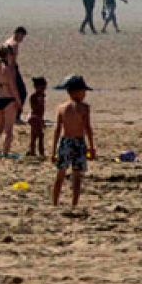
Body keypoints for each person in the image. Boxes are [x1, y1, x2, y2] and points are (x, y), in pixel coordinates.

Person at [51, 75, 94, 207]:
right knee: (76, 176)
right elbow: (87, 128)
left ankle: (56, 203)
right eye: (83, 91)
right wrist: (91, 146)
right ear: (76, 91)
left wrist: (53, 150)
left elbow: (57, 130)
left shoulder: (62, 107)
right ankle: (73, 204)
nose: (85, 94)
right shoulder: (84, 108)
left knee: (61, 174)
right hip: (78, 142)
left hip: (65, 142)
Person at [0, 43, 22, 154]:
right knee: (8, 130)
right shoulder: (9, 69)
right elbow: (13, 87)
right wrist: (19, 102)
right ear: (8, 55)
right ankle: (5, 152)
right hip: (8, 99)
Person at [26, 76, 48, 159]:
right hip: (34, 117)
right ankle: (41, 152)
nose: (43, 90)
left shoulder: (42, 95)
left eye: (44, 88)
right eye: (42, 88)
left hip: (38, 117)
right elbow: (34, 108)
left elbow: (42, 110)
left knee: (34, 136)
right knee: (40, 135)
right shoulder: (34, 96)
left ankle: (32, 151)